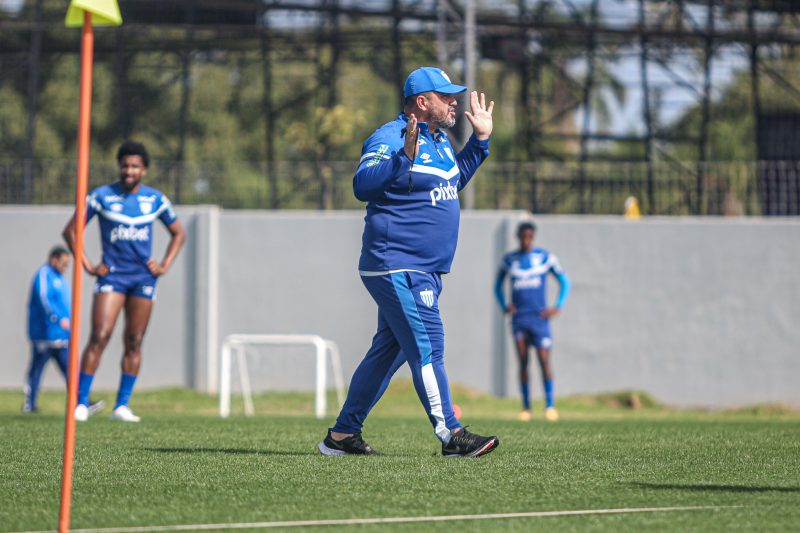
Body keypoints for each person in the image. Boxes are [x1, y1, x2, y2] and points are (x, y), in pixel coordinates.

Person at [318, 66, 499, 457]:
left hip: (423, 268)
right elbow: (362, 185)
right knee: (429, 344)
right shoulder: (390, 137)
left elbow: (451, 182)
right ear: (422, 102)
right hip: (396, 263)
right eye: (446, 96)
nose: (455, 102)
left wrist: (480, 142)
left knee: (390, 349)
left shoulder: (439, 140)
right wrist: (402, 157)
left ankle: (343, 435)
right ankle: (452, 434)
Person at [62, 140, 186, 422]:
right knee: (100, 335)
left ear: (144, 170)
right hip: (113, 276)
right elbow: (71, 231)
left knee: (134, 340)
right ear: (119, 167)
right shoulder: (101, 196)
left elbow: (179, 233)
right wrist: (89, 265)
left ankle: (122, 406)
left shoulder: (155, 200)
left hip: (143, 278)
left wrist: (164, 264)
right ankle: (81, 403)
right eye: (125, 165)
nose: (129, 170)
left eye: (135, 166)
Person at [495, 221, 571, 421]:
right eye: (523, 236)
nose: (526, 240)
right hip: (520, 319)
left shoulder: (545, 258)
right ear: (518, 237)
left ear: (533, 237)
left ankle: (550, 406)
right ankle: (526, 407)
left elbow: (565, 281)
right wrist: (505, 305)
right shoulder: (510, 260)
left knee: (544, 361)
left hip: (539, 319)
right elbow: (497, 286)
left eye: (529, 237)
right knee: (523, 362)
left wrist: (558, 306)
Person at [24, 246, 72, 412]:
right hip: (45, 335)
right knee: (36, 370)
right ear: (54, 259)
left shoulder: (60, 278)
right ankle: (29, 403)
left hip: (61, 336)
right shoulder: (44, 275)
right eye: (63, 263)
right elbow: (44, 300)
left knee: (70, 370)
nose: (65, 267)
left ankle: (80, 401)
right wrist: (58, 319)